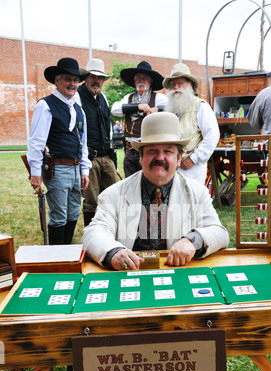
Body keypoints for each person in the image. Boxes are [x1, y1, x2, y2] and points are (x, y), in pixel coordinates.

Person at [82, 112, 229, 270]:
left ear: (179, 158)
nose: (160, 157)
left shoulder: (197, 192)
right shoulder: (113, 194)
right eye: (152, 150)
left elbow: (219, 233)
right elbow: (94, 232)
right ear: (140, 156)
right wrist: (114, 252)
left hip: (179, 275)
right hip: (128, 276)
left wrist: (192, 240)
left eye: (168, 151)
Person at [27, 57, 92, 245]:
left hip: (76, 168)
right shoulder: (45, 105)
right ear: (57, 80)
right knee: (59, 216)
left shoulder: (79, 109)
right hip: (57, 169)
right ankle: (56, 256)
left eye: (75, 80)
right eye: (67, 79)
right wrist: (35, 173)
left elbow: (83, 143)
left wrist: (84, 170)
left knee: (73, 213)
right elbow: (37, 143)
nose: (72, 84)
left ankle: (67, 251)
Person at [76, 58, 119, 227]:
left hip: (106, 156)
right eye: (93, 76)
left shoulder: (104, 99)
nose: (97, 81)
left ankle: (108, 231)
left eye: (100, 78)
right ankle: (91, 236)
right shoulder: (78, 97)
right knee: (91, 201)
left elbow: (108, 126)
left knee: (113, 196)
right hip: (89, 157)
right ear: (86, 78)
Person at [163, 63, 220, 186]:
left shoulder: (200, 106)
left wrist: (193, 159)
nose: (176, 87)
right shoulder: (169, 109)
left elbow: (212, 136)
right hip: (169, 167)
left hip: (191, 169)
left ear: (191, 85)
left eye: (180, 83)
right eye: (173, 84)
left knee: (190, 201)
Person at [111, 61, 168, 177]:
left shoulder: (159, 98)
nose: (141, 81)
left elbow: (173, 109)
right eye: (138, 78)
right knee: (129, 184)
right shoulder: (128, 98)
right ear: (134, 81)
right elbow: (114, 109)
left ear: (150, 82)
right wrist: (137, 107)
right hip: (129, 150)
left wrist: (156, 110)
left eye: (145, 78)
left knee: (148, 184)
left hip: (148, 150)